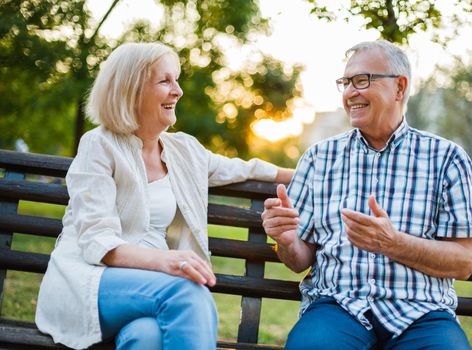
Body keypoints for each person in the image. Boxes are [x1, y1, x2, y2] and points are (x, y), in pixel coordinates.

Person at [35, 42, 293, 350]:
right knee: (187, 292)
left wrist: (305, 172)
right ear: (131, 90)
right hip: (91, 281)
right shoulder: (99, 146)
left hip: (148, 288)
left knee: (147, 338)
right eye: (165, 81)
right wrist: (168, 261)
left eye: (177, 79)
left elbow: (243, 168)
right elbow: (96, 241)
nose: (178, 91)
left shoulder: (183, 150)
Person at [261, 40, 472, 350]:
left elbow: (463, 262)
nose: (349, 93)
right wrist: (288, 240)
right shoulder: (319, 157)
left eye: (362, 80)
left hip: (422, 312)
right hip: (337, 307)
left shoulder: (447, 158)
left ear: (399, 87)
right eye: (345, 83)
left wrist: (393, 243)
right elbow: (298, 260)